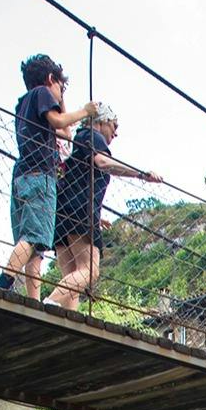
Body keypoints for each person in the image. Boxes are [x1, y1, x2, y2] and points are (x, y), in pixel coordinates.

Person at [0, 55, 98, 298]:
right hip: (40, 175)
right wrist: (85, 111)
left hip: (21, 176)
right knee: (33, 237)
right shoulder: (42, 93)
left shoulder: (23, 103)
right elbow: (59, 121)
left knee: (32, 246)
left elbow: (65, 135)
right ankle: (3, 283)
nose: (60, 96)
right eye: (60, 88)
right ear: (51, 79)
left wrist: (61, 98)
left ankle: (33, 299)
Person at [49, 104, 161, 311]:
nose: (115, 133)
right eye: (114, 125)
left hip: (63, 213)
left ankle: (64, 318)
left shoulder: (78, 140)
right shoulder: (93, 136)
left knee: (72, 277)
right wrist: (140, 174)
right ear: (101, 121)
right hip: (81, 211)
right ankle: (49, 303)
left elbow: (76, 180)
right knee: (90, 270)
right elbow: (102, 162)